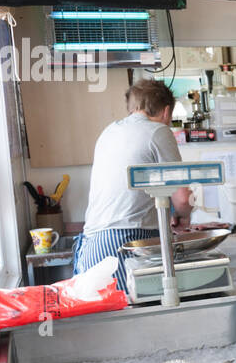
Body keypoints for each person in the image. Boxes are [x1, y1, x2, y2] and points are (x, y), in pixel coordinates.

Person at [73, 79, 191, 293]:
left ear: (133, 108)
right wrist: (183, 214)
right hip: (127, 241)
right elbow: (182, 197)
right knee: (138, 319)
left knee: (110, 322)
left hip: (92, 244)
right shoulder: (159, 131)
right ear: (166, 112)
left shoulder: (109, 131)